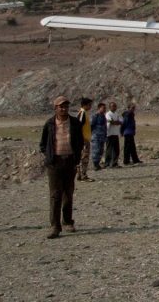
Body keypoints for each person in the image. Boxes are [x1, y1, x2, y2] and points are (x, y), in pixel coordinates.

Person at [39, 95, 84, 239]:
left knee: (68, 193)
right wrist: (50, 156)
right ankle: (55, 226)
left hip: (70, 162)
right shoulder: (50, 124)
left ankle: (68, 222)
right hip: (54, 163)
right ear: (55, 108)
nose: (64, 109)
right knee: (55, 195)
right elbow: (43, 143)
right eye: (61, 106)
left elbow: (80, 142)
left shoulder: (75, 123)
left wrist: (76, 157)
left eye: (66, 106)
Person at [74, 98, 94, 182]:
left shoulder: (84, 113)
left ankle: (80, 175)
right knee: (84, 157)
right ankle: (83, 175)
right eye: (89, 105)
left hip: (83, 139)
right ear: (85, 105)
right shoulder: (82, 113)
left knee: (82, 157)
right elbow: (78, 126)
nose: (90, 106)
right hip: (83, 139)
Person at [104, 102, 123, 168]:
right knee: (109, 149)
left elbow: (121, 121)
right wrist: (116, 122)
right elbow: (111, 121)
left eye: (115, 106)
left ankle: (114, 163)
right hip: (109, 134)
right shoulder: (108, 114)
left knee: (116, 149)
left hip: (115, 133)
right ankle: (107, 163)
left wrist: (116, 122)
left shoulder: (116, 114)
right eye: (113, 106)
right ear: (110, 107)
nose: (114, 107)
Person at [90, 102, 107, 170]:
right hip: (96, 136)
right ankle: (95, 164)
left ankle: (98, 164)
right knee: (96, 151)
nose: (104, 110)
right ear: (99, 108)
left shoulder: (103, 116)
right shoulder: (95, 116)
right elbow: (91, 125)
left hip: (102, 136)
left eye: (105, 108)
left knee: (101, 151)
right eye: (103, 108)